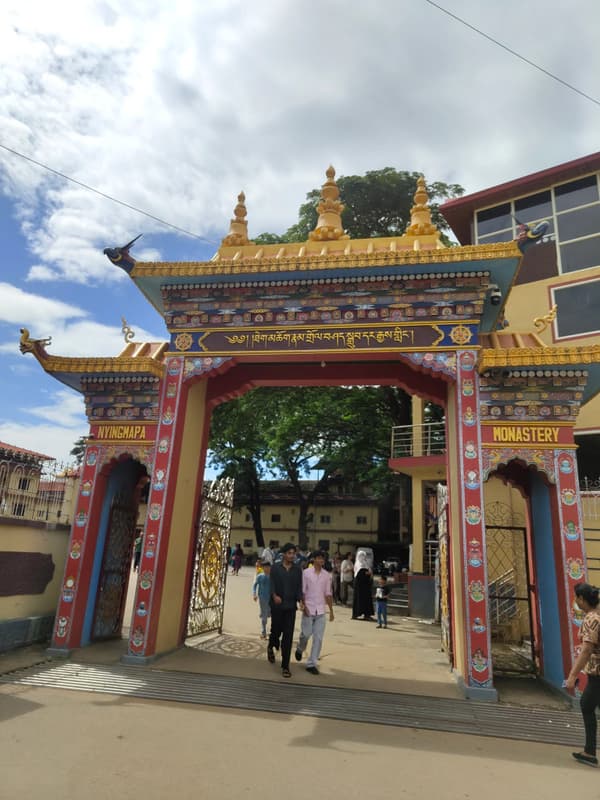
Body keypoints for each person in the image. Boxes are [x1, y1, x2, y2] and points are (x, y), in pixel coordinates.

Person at [566, 582, 600, 767]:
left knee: (586, 704)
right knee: (588, 704)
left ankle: (589, 752)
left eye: (576, 597)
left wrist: (572, 675)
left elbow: (587, 650)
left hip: (598, 673)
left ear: (581, 599)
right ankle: (589, 750)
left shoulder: (591, 619)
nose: (575, 600)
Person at [294, 550, 334, 675]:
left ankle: (311, 663)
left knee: (318, 638)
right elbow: (303, 591)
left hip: (321, 611)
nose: (321, 561)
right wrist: (303, 604)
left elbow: (328, 594)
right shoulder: (306, 573)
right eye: (319, 558)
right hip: (309, 608)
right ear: (314, 559)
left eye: (323, 559)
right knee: (305, 634)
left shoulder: (327, 576)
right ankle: (300, 648)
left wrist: (331, 611)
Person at [267, 542, 303, 678]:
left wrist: (300, 600)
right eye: (289, 553)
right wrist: (274, 595)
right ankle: (271, 646)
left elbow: (299, 587)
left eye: (294, 553)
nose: (292, 555)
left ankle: (285, 666)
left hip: (290, 608)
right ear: (284, 554)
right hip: (277, 606)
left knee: (288, 636)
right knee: (276, 631)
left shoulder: (297, 570)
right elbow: (272, 584)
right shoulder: (276, 568)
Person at [352, 550, 374, 620]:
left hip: (365, 585)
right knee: (358, 599)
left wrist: (368, 573)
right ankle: (356, 614)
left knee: (366, 599)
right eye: (362, 555)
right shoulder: (358, 564)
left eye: (364, 556)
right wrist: (366, 573)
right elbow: (360, 574)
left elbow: (369, 571)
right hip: (359, 585)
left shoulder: (365, 563)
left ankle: (366, 614)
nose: (363, 557)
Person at [252, 561, 272, 639]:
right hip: (262, 598)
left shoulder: (273, 577)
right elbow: (254, 585)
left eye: (268, 567)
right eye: (265, 567)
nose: (267, 569)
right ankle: (263, 632)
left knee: (270, 614)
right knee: (264, 617)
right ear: (262, 568)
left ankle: (272, 632)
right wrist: (254, 594)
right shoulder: (260, 576)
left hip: (271, 599)